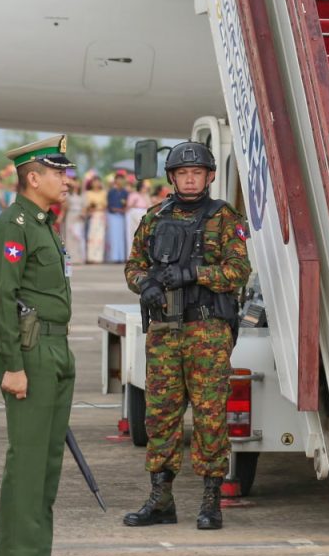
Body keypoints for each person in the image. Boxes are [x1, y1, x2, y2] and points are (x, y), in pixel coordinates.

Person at [123, 141, 251, 530]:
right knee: (160, 416)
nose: (190, 179)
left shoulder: (224, 218)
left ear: (209, 176)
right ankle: (161, 499)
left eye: (197, 172)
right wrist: (145, 284)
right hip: (164, 331)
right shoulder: (154, 217)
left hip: (207, 331)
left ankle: (211, 501)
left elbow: (238, 271)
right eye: (183, 173)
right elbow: (133, 266)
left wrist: (194, 273)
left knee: (210, 416)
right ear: (172, 177)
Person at [0, 135, 78, 556]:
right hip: (31, 350)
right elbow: (2, 300)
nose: (67, 180)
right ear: (34, 178)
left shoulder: (43, 225)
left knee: (47, 459)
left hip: (56, 347)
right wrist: (13, 365)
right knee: (27, 457)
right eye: (59, 173)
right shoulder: (13, 225)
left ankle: (35, 555)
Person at [61, 173, 86, 268]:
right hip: (71, 215)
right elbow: (65, 207)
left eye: (77, 181)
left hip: (79, 216)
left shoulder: (82, 194)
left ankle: (79, 258)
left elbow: (84, 206)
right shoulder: (68, 194)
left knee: (79, 237)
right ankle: (71, 258)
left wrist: (82, 214)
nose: (76, 183)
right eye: (74, 181)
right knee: (70, 236)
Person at [106, 170, 129, 263]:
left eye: (121, 179)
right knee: (114, 236)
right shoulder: (111, 192)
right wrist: (117, 210)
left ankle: (121, 257)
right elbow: (110, 205)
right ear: (115, 180)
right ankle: (114, 257)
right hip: (113, 216)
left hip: (122, 216)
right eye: (118, 179)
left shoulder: (125, 192)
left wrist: (124, 209)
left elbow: (127, 204)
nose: (120, 181)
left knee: (121, 237)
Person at [84, 176, 106, 264]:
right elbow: (87, 205)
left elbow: (105, 205)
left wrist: (97, 207)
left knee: (100, 237)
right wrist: (91, 208)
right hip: (92, 216)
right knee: (91, 236)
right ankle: (91, 257)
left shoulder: (103, 193)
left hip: (100, 216)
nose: (96, 183)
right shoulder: (88, 193)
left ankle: (98, 258)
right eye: (94, 182)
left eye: (98, 181)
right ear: (91, 183)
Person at [126, 178, 152, 243]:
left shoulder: (147, 196)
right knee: (133, 232)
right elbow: (129, 206)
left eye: (146, 188)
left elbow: (149, 206)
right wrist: (134, 204)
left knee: (143, 234)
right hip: (134, 215)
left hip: (143, 215)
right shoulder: (134, 194)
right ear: (140, 187)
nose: (145, 189)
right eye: (144, 187)